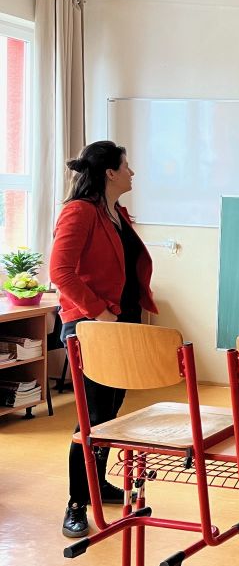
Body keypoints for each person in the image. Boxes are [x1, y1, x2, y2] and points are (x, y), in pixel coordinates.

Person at [50, 141, 158, 538]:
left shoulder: (115, 212)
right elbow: (60, 271)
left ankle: (97, 486)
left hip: (120, 324)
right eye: (127, 166)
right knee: (91, 418)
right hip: (93, 325)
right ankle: (77, 504)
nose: (132, 172)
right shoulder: (79, 211)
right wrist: (99, 312)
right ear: (110, 172)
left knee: (110, 415)